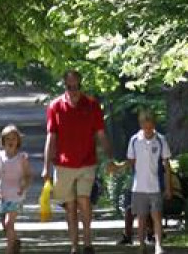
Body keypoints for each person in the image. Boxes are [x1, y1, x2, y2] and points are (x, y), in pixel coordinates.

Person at [43, 69, 116, 254]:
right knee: (70, 206)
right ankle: (74, 245)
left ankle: (88, 243)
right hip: (63, 163)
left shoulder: (91, 105)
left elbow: (100, 134)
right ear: (65, 86)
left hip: (87, 162)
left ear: (80, 85)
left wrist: (109, 157)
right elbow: (51, 138)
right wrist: (46, 168)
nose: (73, 90)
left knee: (84, 200)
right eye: (70, 87)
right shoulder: (55, 106)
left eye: (76, 86)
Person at [116, 109, 174, 254]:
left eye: (150, 127)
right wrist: (118, 167)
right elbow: (130, 161)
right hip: (139, 187)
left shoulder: (161, 140)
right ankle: (141, 245)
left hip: (155, 186)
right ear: (141, 124)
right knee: (141, 218)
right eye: (145, 126)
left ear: (154, 124)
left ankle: (158, 245)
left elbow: (167, 165)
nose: (148, 130)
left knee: (157, 217)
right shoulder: (134, 140)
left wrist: (168, 187)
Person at [0, 125, 32, 254]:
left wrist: (24, 185)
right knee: (5, 225)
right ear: (2, 141)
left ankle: (9, 250)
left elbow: (29, 175)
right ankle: (15, 242)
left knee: (8, 223)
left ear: (18, 141)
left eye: (14, 138)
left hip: (17, 194)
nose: (11, 141)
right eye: (7, 139)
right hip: (2, 195)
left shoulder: (22, 158)